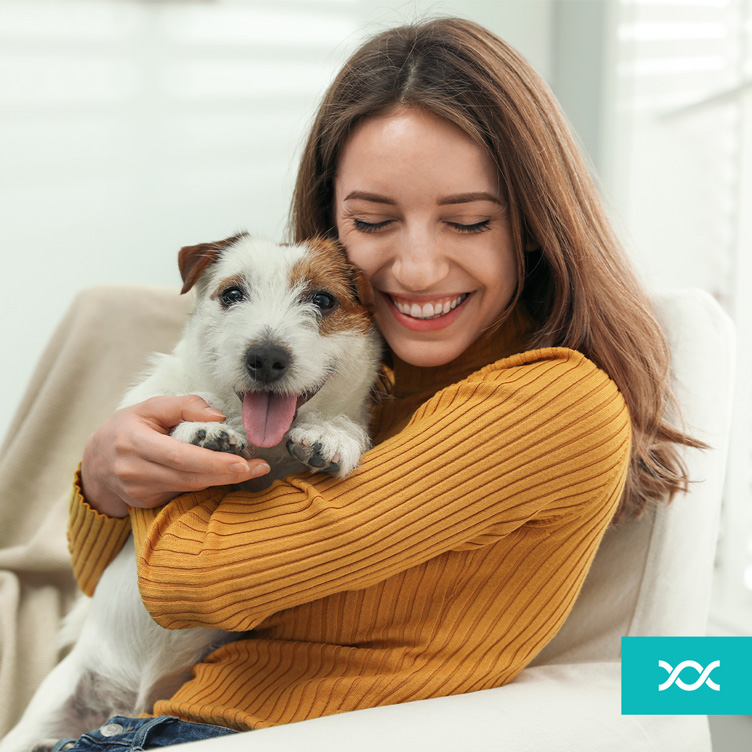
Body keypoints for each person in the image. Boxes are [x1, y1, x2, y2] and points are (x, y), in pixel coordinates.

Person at [63, 16, 697, 750]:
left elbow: (185, 583)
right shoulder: (359, 376)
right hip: (160, 719)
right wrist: (104, 480)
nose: (418, 269)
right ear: (331, 219)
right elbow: (96, 581)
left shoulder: (550, 401)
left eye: (467, 223)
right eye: (373, 219)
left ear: (530, 224)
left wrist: (146, 464)